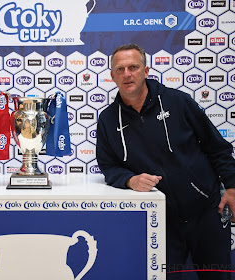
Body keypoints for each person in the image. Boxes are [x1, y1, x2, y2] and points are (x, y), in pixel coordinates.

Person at [96, 43, 235, 280]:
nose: (127, 74)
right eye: (120, 69)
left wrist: (231, 187)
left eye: (133, 67)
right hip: (160, 222)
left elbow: (217, 147)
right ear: (112, 75)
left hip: (206, 212)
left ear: (146, 71)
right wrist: (129, 180)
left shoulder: (177, 102)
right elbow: (108, 166)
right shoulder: (108, 119)